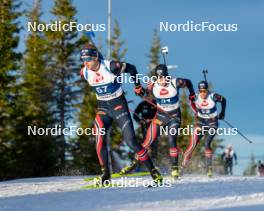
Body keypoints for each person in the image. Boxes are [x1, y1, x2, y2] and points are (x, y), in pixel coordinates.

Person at [79, 44, 162, 184]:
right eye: (82, 59)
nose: (85, 62)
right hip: (103, 109)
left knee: (131, 142)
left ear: (95, 57)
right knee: (99, 139)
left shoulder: (110, 66)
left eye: (88, 59)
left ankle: (153, 171)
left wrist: (137, 86)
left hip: (119, 107)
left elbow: (132, 68)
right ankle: (105, 175)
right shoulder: (84, 72)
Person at [120, 64, 195, 179]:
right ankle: (134, 164)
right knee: (147, 142)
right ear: (156, 77)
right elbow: (145, 93)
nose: (163, 79)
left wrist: (192, 94)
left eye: (165, 76)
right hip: (160, 117)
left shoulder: (176, 82)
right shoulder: (152, 84)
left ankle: (174, 169)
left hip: (174, 117)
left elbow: (188, 82)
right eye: (160, 77)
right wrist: (140, 92)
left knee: (171, 141)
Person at [183, 80, 226, 177]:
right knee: (192, 145)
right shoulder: (196, 96)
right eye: (201, 91)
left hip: (212, 122)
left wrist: (222, 113)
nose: (203, 93)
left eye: (204, 91)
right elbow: (192, 103)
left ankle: (209, 169)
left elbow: (224, 100)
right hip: (201, 122)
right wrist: (196, 112)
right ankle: (182, 168)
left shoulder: (213, 96)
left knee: (207, 143)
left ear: (207, 90)